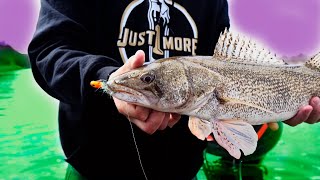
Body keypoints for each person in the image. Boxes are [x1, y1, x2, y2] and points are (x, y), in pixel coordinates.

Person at [28, 0, 320, 179]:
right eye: (148, 81)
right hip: (94, 167)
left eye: (149, 81)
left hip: (183, 169)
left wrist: (286, 106)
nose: (145, 84)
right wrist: (104, 76)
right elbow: (49, 51)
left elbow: (222, 58)